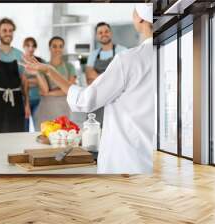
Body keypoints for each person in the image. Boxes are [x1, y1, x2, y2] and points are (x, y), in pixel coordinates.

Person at [22, 4, 154, 174]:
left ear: (139, 18)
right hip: (152, 160)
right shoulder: (166, 53)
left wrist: (49, 71)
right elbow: (90, 76)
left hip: (126, 160)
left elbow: (86, 99)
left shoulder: (128, 59)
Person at [0, 18, 30, 133]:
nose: (8, 33)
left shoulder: (20, 55)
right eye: (4, 30)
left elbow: (24, 81)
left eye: (10, 30)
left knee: (17, 136)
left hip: (17, 100)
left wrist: (27, 104)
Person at [86, 22, 127, 125]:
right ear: (97, 36)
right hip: (97, 100)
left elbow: (124, 77)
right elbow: (88, 78)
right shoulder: (93, 55)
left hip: (117, 101)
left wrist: (97, 78)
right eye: (100, 32)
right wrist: (110, 78)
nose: (104, 34)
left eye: (106, 31)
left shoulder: (122, 51)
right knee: (95, 129)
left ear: (111, 33)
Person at [32, 36, 76, 131]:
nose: (57, 49)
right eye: (54, 46)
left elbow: (69, 90)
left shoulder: (70, 67)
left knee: (63, 138)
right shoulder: (42, 67)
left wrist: (49, 93)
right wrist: (36, 73)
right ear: (49, 48)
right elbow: (44, 89)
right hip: (45, 109)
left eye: (60, 46)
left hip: (63, 110)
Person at [22, 37, 44, 131]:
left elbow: (44, 81)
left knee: (39, 128)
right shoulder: (19, 61)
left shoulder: (40, 61)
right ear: (23, 46)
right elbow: (20, 82)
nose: (31, 48)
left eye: (33, 46)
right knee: (24, 129)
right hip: (22, 100)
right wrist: (35, 80)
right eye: (28, 45)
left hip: (38, 99)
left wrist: (27, 81)